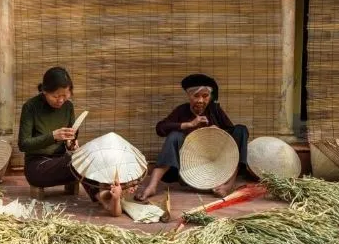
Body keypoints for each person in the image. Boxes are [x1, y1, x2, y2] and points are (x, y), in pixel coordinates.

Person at [18, 66, 129, 217]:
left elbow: (70, 140)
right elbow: (23, 144)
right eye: (56, 96)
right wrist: (53, 136)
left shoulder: (68, 107)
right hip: (38, 167)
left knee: (87, 154)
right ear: (44, 91)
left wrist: (71, 144)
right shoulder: (30, 107)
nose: (61, 100)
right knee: (75, 161)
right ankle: (104, 198)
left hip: (64, 162)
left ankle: (109, 194)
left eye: (65, 95)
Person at [134, 73, 248, 201]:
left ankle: (228, 186)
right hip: (189, 169)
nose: (200, 100)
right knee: (174, 136)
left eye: (205, 96)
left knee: (241, 130)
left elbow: (232, 140)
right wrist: (189, 124)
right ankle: (152, 186)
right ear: (189, 96)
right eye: (196, 96)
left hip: (217, 165)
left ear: (210, 97)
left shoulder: (214, 110)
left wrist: (219, 131)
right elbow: (160, 128)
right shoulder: (182, 111)